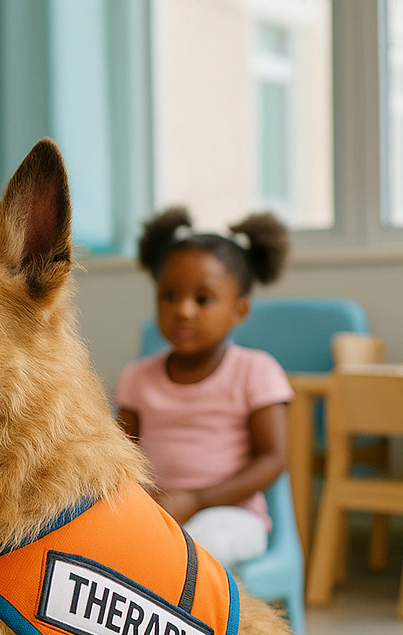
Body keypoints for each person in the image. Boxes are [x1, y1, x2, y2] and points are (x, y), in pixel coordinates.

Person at [116, 206, 295, 570]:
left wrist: (197, 499)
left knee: (189, 551)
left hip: (232, 515)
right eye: (169, 296)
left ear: (239, 310)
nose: (183, 311)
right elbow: (121, 458)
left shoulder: (255, 372)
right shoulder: (136, 378)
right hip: (156, 511)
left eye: (203, 299)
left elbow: (273, 459)